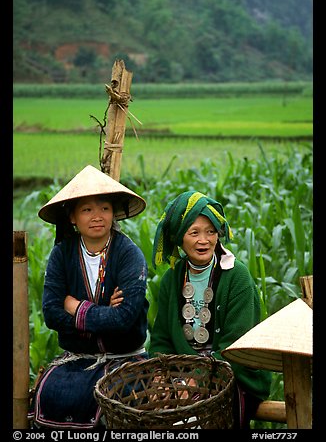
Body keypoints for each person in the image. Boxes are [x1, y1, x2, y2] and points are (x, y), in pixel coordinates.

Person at [28, 165, 149, 429]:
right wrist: (104, 311)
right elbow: (51, 314)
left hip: (124, 358)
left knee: (116, 402)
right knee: (49, 396)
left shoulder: (129, 255)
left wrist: (76, 307)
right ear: (72, 217)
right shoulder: (62, 255)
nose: (97, 216)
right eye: (87, 209)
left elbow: (125, 318)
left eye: (104, 208)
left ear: (113, 213)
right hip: (76, 358)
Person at [148, 190, 272, 428]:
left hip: (232, 374)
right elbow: (161, 339)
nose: (203, 240)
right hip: (183, 374)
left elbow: (235, 348)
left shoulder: (237, 277)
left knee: (190, 420)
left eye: (211, 232)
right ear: (179, 237)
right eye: (194, 232)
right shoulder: (172, 278)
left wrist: (194, 382)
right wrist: (160, 377)